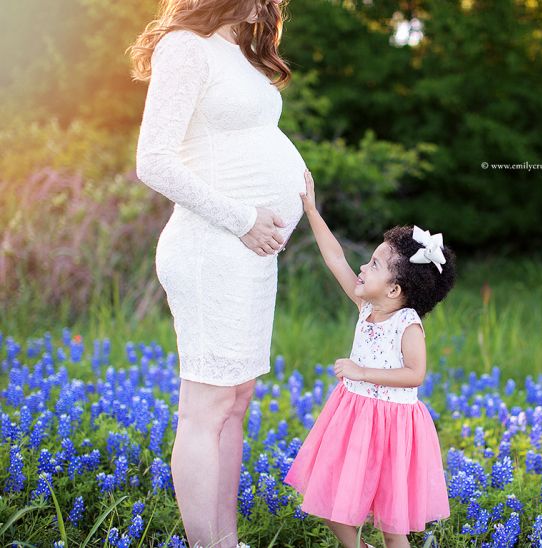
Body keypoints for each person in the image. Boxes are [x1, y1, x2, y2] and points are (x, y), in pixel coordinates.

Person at [128, 0, 301, 546]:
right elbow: (153, 160)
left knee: (236, 399)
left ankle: (225, 539)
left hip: (249, 255)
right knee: (207, 406)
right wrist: (244, 217)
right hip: (212, 248)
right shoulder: (185, 47)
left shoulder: (239, 50)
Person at [283, 171, 456, 548]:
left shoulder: (408, 325)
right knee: (331, 505)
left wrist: (362, 371)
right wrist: (311, 210)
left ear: (394, 289)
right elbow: (335, 258)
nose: (363, 268)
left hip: (394, 426)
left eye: (374, 265)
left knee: (392, 527)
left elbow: (416, 374)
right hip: (353, 416)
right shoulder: (366, 305)